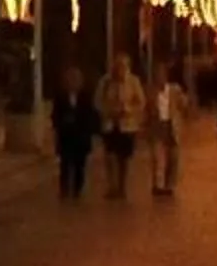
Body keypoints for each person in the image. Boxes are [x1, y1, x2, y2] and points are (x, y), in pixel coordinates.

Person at [96, 56, 145, 198]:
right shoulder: (105, 82)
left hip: (127, 125)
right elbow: (97, 101)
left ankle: (122, 186)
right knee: (110, 156)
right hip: (110, 124)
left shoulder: (133, 82)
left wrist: (128, 110)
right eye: (117, 66)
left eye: (123, 66)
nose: (119, 69)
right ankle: (112, 185)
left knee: (124, 158)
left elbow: (141, 101)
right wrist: (107, 111)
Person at [51, 64, 98, 198]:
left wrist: (87, 128)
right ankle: (64, 189)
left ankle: (77, 188)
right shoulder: (60, 96)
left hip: (80, 136)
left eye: (75, 79)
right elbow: (55, 115)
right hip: (65, 136)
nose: (72, 82)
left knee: (80, 165)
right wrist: (61, 124)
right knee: (65, 164)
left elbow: (90, 114)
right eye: (70, 79)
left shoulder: (86, 96)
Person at [147, 59, 189, 195]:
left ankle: (169, 185)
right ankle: (158, 185)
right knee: (157, 157)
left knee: (173, 157)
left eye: (161, 74)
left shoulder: (174, 90)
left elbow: (184, 104)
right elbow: (145, 107)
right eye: (156, 75)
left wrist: (183, 103)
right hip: (157, 126)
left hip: (171, 125)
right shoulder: (150, 91)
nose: (159, 78)